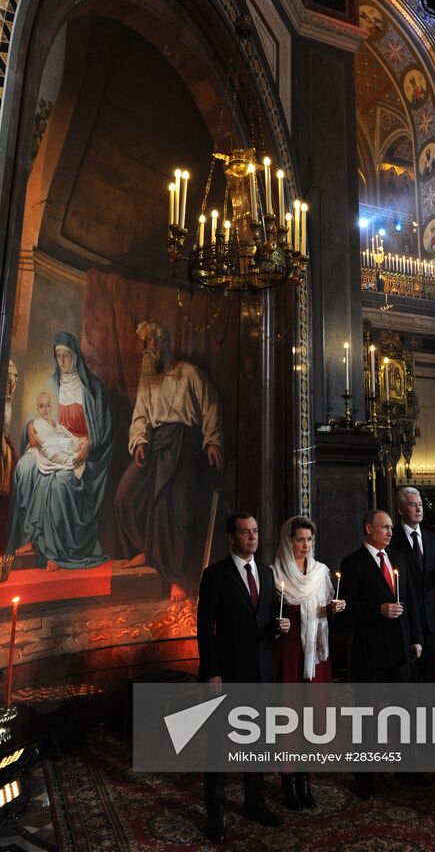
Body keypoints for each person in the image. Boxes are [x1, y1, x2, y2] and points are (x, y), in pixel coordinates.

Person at [197, 512, 290, 840]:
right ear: (231, 537)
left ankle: (254, 803)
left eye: (255, 531)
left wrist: (280, 628)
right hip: (227, 674)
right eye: (245, 532)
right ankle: (216, 812)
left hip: (260, 673)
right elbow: (204, 628)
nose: (252, 537)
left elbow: (269, 621)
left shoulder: (266, 573)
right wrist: (211, 671)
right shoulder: (215, 575)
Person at [115, 321, 223, 602]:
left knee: (178, 510)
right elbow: (140, 415)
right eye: (143, 343)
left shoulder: (189, 373)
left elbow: (211, 404)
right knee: (126, 494)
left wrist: (212, 440)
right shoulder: (147, 381)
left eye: (149, 342)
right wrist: (140, 440)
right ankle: (146, 549)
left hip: (185, 447)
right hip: (156, 446)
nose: (145, 348)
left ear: (162, 343)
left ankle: (176, 577)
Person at [7, 333, 112, 571]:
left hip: (80, 451)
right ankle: (29, 537)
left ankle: (52, 550)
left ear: (76, 356)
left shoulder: (92, 387)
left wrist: (89, 442)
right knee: (24, 467)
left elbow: (104, 429)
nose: (63, 361)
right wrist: (30, 427)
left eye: (67, 355)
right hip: (51, 446)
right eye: (58, 355)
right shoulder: (51, 383)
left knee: (59, 482)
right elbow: (37, 414)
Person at [340, 509, 422, 799]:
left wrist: (416, 638)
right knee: (368, 718)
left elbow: (411, 600)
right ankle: (364, 777)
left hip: (401, 648)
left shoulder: (398, 558)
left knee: (404, 713)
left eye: (390, 527)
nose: (389, 532)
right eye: (384, 527)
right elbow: (346, 606)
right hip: (370, 651)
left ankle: (405, 768)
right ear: (368, 528)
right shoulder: (352, 563)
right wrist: (378, 610)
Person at [271, 516, 345, 810]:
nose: (305, 545)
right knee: (288, 717)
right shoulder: (274, 573)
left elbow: (324, 614)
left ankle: (305, 779)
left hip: (314, 658)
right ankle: (288, 781)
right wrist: (276, 625)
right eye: (300, 539)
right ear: (288, 541)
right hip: (288, 656)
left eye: (309, 539)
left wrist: (334, 610)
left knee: (311, 717)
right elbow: (267, 618)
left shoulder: (320, 572)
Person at [391, 487, 435, 683]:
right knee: (406, 678)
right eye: (413, 505)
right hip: (404, 618)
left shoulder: (432, 539)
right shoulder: (392, 539)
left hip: (430, 619)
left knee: (429, 676)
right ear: (400, 509)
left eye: (420, 505)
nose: (419, 509)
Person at [27, 391, 85, 478]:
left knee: (70, 442)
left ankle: (75, 456)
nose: (45, 409)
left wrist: (74, 441)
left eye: (47, 405)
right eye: (41, 406)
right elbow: (43, 442)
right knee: (50, 451)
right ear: (37, 409)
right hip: (50, 449)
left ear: (51, 407)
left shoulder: (55, 423)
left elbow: (67, 434)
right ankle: (73, 459)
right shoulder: (37, 423)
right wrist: (61, 442)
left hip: (61, 446)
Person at [0, 360, 19, 553]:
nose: (8, 385)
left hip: (5, 444)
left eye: (10, 382)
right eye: (5, 380)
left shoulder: (7, 401)